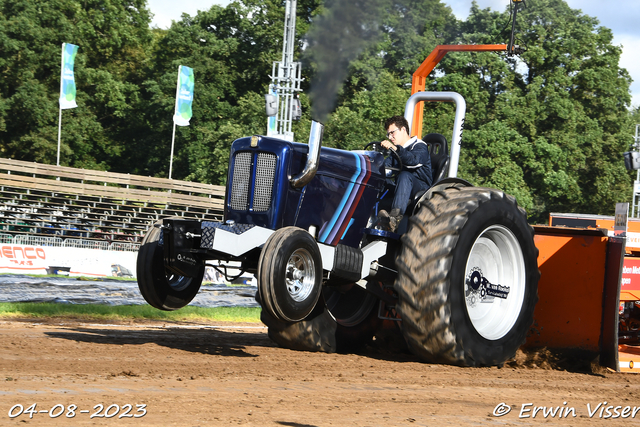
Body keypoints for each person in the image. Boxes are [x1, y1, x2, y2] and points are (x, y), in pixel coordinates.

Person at [377, 115, 432, 232]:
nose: (390, 137)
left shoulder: (420, 146)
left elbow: (413, 161)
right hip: (402, 186)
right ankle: (372, 213)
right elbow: (387, 169)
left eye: (392, 132)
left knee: (405, 175)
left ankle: (395, 219)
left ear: (403, 129)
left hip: (420, 188)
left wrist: (396, 149)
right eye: (388, 134)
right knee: (381, 179)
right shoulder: (396, 151)